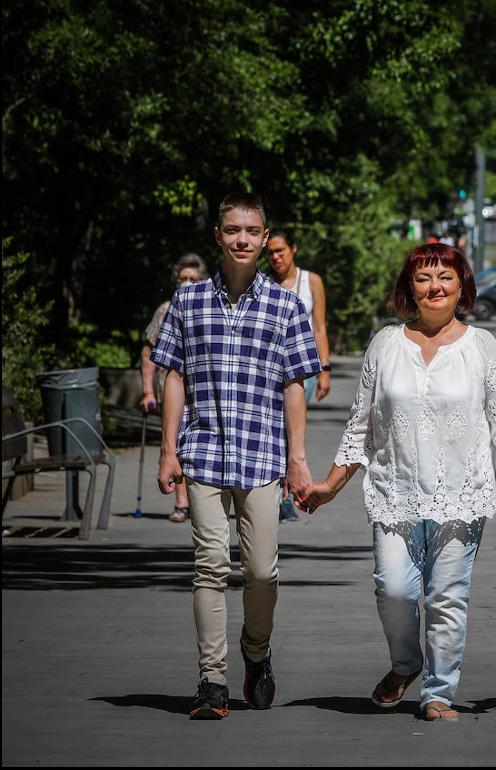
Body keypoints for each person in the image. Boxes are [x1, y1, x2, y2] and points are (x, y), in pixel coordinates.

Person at [297, 243, 496, 721]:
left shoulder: (481, 345)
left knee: (447, 595)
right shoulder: (385, 344)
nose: (435, 287)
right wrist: (330, 485)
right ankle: (406, 663)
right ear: (410, 287)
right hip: (395, 490)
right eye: (424, 278)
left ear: (461, 286)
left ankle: (438, 693)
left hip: (460, 494)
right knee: (395, 590)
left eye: (445, 278)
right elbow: (359, 426)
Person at [151, 193, 322, 720]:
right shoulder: (188, 301)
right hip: (202, 451)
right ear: (218, 237)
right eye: (232, 231)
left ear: (266, 237)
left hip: (263, 452)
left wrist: (298, 458)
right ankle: (212, 681)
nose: (243, 239)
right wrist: (167, 448)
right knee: (208, 565)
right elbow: (173, 374)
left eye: (252, 231)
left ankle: (255, 650)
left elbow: (295, 383)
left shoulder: (286, 304)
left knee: (262, 572)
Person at [266, 228, 332, 522]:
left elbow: (319, 326)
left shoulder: (311, 281)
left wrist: (325, 369)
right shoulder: (262, 283)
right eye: (270, 253)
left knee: (290, 430)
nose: (275, 257)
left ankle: (285, 493)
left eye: (280, 250)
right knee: (275, 430)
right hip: (269, 368)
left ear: (293, 249)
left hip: (302, 369)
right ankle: (276, 494)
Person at [140, 253, 208, 523]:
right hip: (170, 388)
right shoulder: (166, 310)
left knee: (198, 445)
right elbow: (148, 352)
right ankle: (181, 503)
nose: (188, 283)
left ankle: (201, 501)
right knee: (174, 443)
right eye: (183, 279)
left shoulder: (209, 308)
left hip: (202, 391)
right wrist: (147, 391)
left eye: (193, 279)